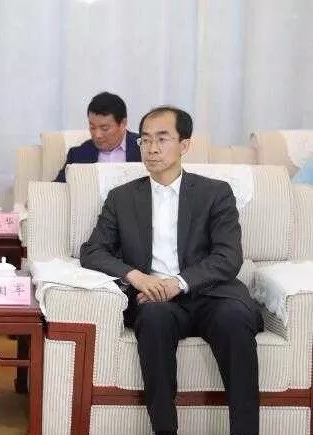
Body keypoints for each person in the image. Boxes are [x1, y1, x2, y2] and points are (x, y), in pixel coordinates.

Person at [80, 106, 262, 435]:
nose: (151, 148)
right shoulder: (122, 198)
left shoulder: (215, 193)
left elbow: (228, 256)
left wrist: (179, 282)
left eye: (162, 139)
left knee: (235, 318)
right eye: (145, 140)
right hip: (154, 299)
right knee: (153, 319)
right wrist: (136, 277)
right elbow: (92, 251)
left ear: (185, 145)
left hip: (211, 295)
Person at [54, 91, 141, 182]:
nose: (97, 135)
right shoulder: (77, 155)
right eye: (92, 127)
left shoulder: (143, 147)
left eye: (104, 128)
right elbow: (57, 187)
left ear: (123, 124)